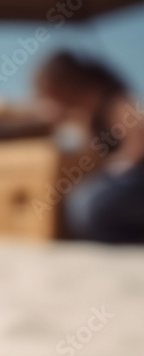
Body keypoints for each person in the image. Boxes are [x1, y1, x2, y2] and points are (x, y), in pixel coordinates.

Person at [34, 51, 144, 243]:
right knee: (81, 203)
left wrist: (116, 166)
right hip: (126, 184)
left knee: (87, 204)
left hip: (136, 180)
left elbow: (139, 136)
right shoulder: (86, 115)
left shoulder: (113, 101)